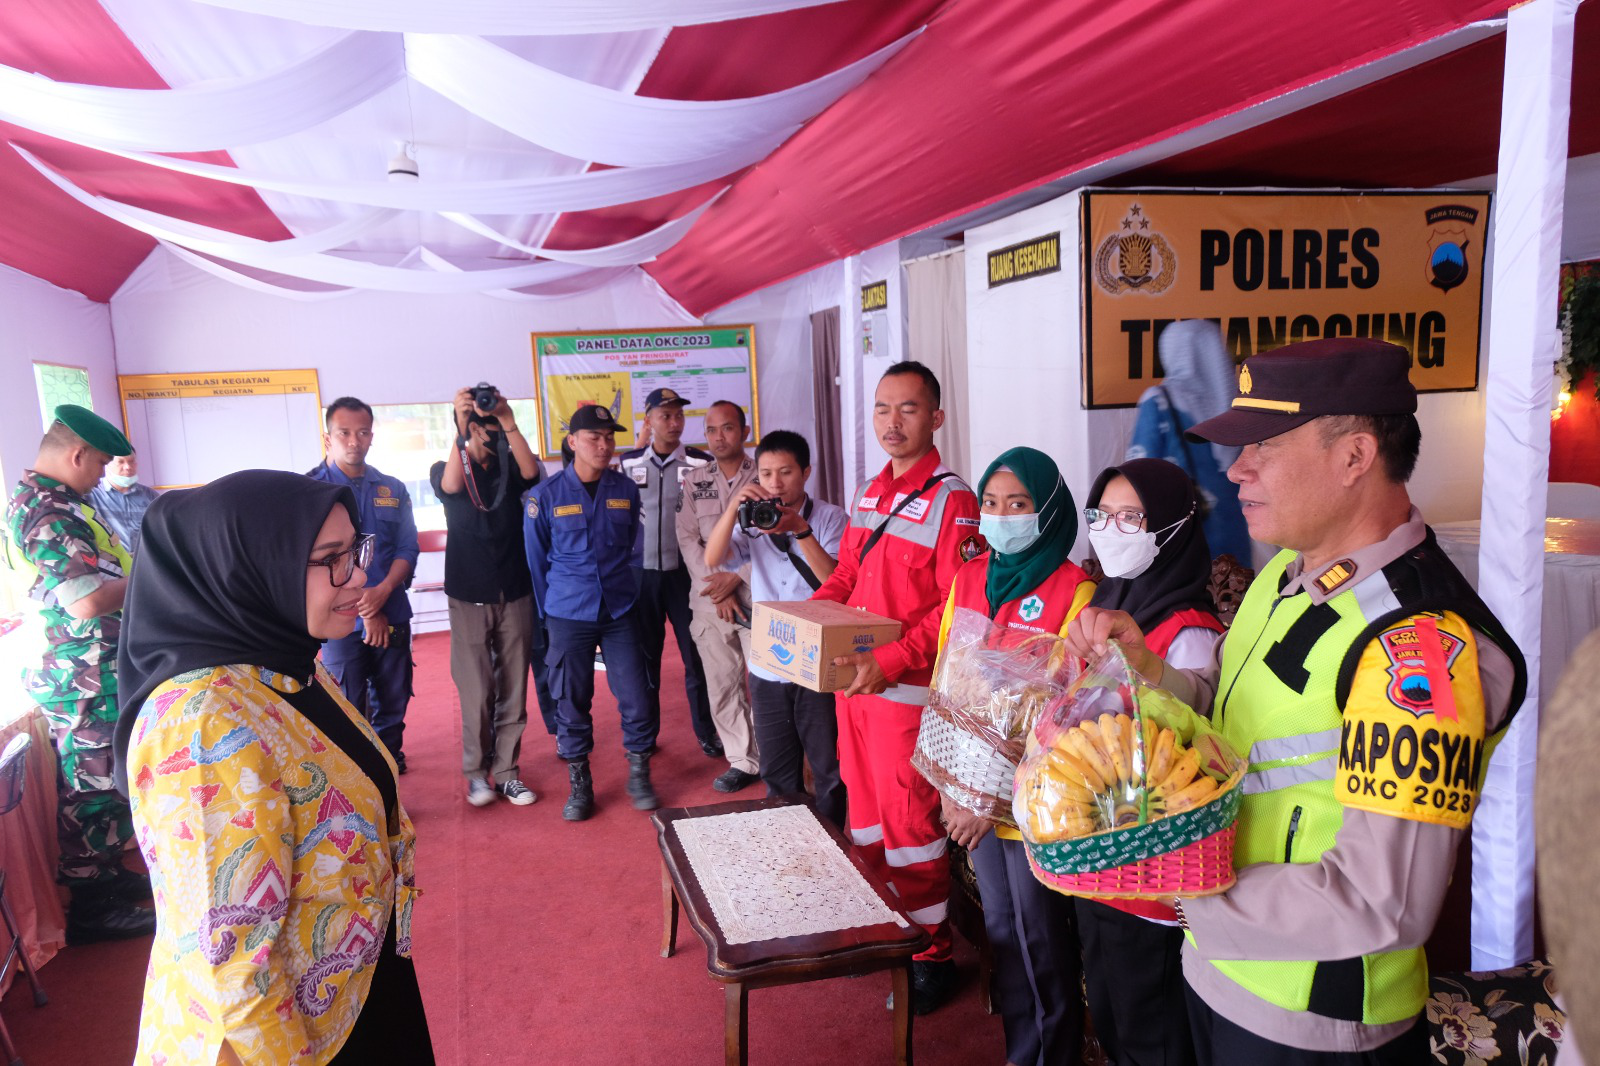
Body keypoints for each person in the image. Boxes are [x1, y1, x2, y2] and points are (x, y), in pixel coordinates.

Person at [1064, 338, 1526, 1065]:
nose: (1235, 468)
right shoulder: (1285, 570)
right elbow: (1230, 711)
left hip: (1311, 1019)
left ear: (1355, 456)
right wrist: (1150, 671)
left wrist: (1181, 897)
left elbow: (1384, 901)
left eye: (1264, 446)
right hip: (1218, 968)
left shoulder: (1420, 648)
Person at [114, 470, 431, 1065]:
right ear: (249, 567)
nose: (358, 576)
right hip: (284, 1040)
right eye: (330, 559)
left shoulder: (289, 669)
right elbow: (229, 965)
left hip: (350, 997)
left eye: (354, 552)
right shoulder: (203, 721)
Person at [811, 360, 984, 1015]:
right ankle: (888, 933)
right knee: (866, 822)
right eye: (883, 408)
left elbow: (956, 605)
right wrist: (809, 619)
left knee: (911, 828)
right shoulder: (869, 493)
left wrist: (895, 657)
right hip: (853, 691)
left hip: (905, 697)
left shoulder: (954, 501)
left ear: (935, 418)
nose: (892, 421)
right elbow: (847, 575)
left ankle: (932, 955)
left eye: (907, 409)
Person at [934, 446, 1097, 1065]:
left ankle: (1048, 1055)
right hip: (972, 798)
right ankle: (1019, 1052)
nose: (1001, 516)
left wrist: (987, 801)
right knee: (1004, 935)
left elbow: (1065, 717)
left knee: (1038, 940)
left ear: (1047, 510)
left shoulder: (1072, 592)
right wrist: (954, 790)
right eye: (992, 504)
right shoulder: (969, 578)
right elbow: (948, 686)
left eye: (1019, 504)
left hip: (1029, 804)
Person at [1075, 457, 1226, 1066]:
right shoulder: (1110, 604)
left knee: (1152, 1032)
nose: (1112, 529)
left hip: (1153, 872)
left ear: (1172, 525)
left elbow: (1191, 749)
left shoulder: (1184, 631)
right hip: (1102, 854)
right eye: (1103, 515)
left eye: (1131, 516)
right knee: (1114, 1018)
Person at [5, 405, 153, 943]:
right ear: (77, 455)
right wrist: (155, 579)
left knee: (107, 777)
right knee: (90, 783)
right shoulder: (49, 513)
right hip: (80, 671)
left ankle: (110, 876)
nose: (102, 475)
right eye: (99, 464)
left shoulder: (62, 502)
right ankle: (92, 904)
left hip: (96, 666)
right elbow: (86, 601)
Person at [704, 429, 848, 827]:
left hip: (820, 661)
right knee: (777, 768)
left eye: (785, 472)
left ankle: (834, 842)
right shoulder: (752, 522)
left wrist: (799, 529)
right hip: (769, 661)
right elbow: (713, 557)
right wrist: (734, 507)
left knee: (828, 768)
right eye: (766, 474)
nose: (775, 483)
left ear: (805, 472)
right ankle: (786, 840)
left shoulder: (832, 518)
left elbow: (836, 582)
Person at [525, 404, 658, 820]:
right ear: (573, 442)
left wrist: (629, 591)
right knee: (571, 698)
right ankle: (580, 781)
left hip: (619, 608)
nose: (603, 446)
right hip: (568, 611)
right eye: (593, 438)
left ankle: (639, 770)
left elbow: (634, 548)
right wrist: (553, 613)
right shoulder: (543, 497)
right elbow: (536, 561)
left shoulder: (625, 489)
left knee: (637, 694)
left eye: (608, 438)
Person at [430, 385, 542, 808]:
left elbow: (533, 474)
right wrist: (460, 430)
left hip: (515, 590)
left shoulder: (511, 467)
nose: (486, 434)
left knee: (514, 687)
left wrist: (509, 422)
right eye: (480, 427)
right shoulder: (445, 466)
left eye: (490, 426)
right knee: (477, 691)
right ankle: (477, 774)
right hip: (469, 595)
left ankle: (508, 772)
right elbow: (452, 485)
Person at [308, 396, 420, 772]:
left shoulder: (392, 489)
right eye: (344, 433)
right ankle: (358, 770)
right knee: (347, 700)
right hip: (339, 620)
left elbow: (407, 546)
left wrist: (383, 592)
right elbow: (309, 563)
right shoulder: (308, 492)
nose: (354, 441)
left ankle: (389, 762)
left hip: (391, 607)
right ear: (328, 439)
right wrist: (363, 605)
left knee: (394, 695)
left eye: (363, 432)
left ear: (372, 436)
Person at [618, 387, 722, 758]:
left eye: (679, 416)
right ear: (647, 421)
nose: (674, 423)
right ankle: (646, 735)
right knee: (646, 660)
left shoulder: (699, 463)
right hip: (640, 577)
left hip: (685, 577)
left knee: (696, 656)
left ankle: (707, 730)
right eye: (665, 416)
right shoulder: (627, 464)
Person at [674, 399, 761, 792]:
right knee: (722, 683)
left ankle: (773, 756)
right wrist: (718, 587)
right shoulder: (694, 481)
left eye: (727, 428)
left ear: (744, 431)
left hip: (757, 595)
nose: (718, 437)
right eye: (710, 430)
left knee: (765, 682)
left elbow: (779, 542)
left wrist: (735, 577)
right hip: (709, 601)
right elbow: (687, 538)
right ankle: (742, 761)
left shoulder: (766, 474)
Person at [1126, 319, 1252, 566]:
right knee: (1232, 592)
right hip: (1233, 525)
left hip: (1179, 530)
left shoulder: (1159, 400)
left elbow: (1136, 473)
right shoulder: (1237, 405)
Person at [87, 448, 159, 554]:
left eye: (131, 461)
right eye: (120, 462)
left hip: (144, 560)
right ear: (107, 464)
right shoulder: (91, 494)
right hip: (109, 563)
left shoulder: (150, 496)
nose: (128, 467)